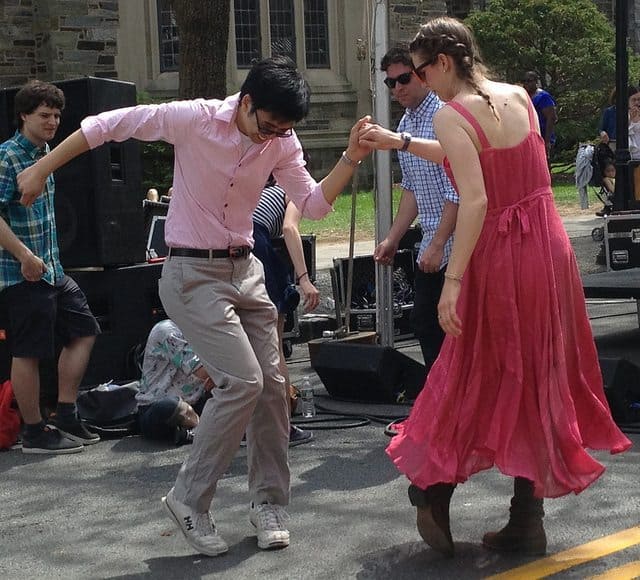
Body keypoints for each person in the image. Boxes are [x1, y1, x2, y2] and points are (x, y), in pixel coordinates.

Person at [16, 56, 370, 556]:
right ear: (246, 102)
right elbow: (106, 125)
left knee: (272, 385)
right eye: (266, 126)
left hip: (246, 273)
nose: (271, 138)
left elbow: (311, 205)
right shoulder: (195, 117)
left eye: (282, 131)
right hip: (190, 274)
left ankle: (268, 503)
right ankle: (188, 499)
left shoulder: (281, 142)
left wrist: (351, 156)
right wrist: (40, 166)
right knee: (243, 381)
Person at [359, 16, 631, 558]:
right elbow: (476, 158)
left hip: (500, 253)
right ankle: (526, 520)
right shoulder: (519, 97)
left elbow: (477, 198)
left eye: (417, 71)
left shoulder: (453, 115)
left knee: (470, 368)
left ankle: (433, 487)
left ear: (441, 63)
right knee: (537, 373)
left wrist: (452, 282)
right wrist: (403, 141)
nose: (415, 81)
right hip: (548, 252)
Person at [0, 80, 101, 455]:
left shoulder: (47, 155)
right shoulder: (8, 156)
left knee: (85, 330)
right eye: (44, 115)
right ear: (24, 115)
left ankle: (66, 413)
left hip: (54, 271)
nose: (53, 121)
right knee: (27, 351)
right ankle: (33, 431)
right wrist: (24, 256)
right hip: (20, 274)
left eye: (57, 115)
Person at [375, 45, 458, 373]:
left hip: (456, 244)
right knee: (425, 321)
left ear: (424, 76)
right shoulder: (406, 125)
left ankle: (450, 401)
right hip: (433, 243)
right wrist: (393, 238)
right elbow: (412, 189)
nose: (397, 88)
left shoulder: (445, 117)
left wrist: (438, 244)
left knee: (443, 323)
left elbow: (460, 194)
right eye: (390, 83)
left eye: (404, 79)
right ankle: (441, 400)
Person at [252, 175, 319, 446]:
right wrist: (303, 278)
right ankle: (283, 425)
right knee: (274, 344)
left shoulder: (259, 190)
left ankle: (250, 424)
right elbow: (290, 229)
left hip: (232, 244)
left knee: (250, 345)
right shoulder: (291, 190)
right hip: (256, 242)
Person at [136, 319, 214, 444]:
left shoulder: (208, 330)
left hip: (196, 400)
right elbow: (200, 371)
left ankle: (196, 429)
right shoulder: (168, 331)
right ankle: (201, 430)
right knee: (169, 406)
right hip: (156, 406)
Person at [522, 70, 557, 159]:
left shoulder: (543, 97)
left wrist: (547, 141)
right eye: (524, 81)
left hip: (542, 137)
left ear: (536, 82)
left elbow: (551, 118)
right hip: (530, 138)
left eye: (529, 81)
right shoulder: (525, 96)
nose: (526, 83)